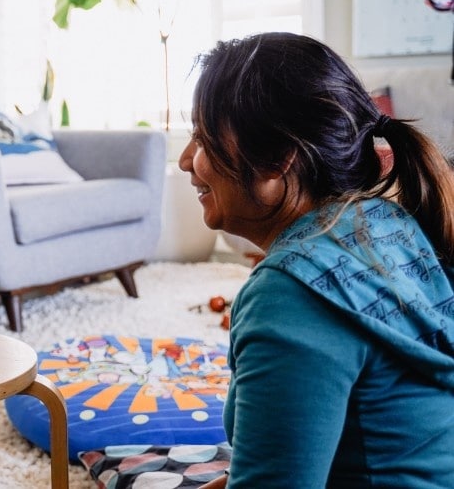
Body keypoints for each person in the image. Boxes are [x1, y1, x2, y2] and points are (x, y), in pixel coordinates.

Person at [179, 33, 454, 488]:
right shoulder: (388, 222)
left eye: (204, 137)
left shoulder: (289, 295)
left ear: (275, 160)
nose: (188, 160)